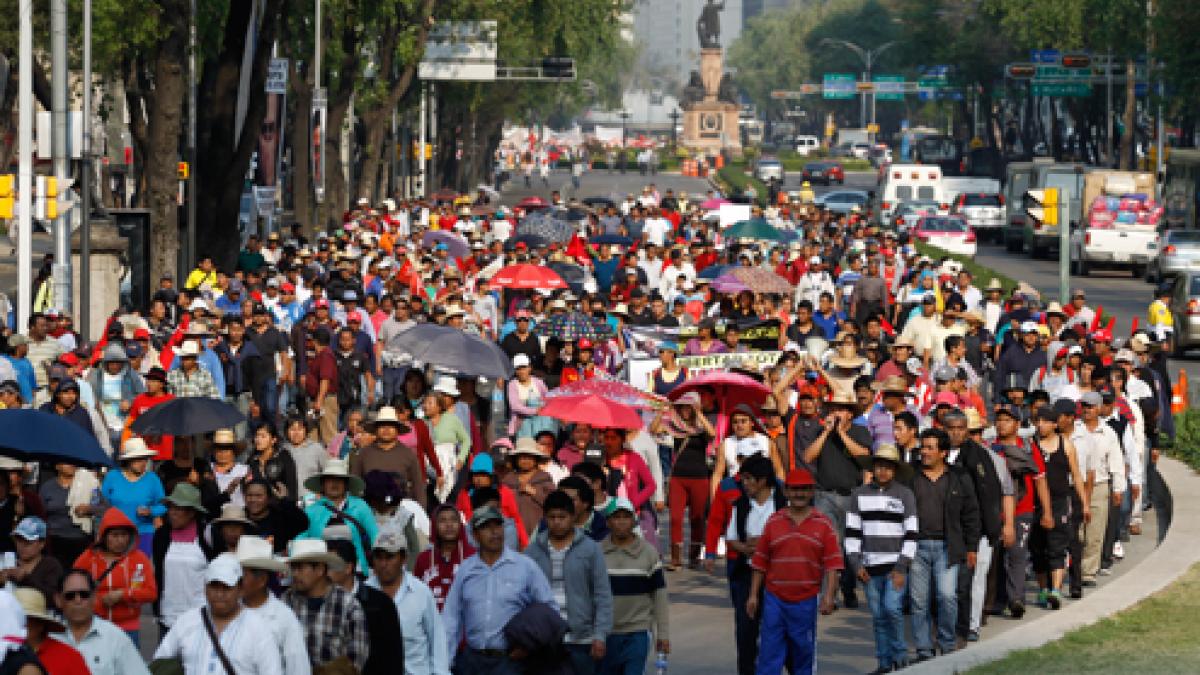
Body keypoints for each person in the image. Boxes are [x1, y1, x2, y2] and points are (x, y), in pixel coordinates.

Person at [746, 467, 843, 675]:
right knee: (769, 657)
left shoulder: (823, 525)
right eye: (794, 489)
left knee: (803, 656)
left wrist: (829, 595)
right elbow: (760, 562)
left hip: (805, 602)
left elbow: (833, 564)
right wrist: (753, 595)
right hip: (774, 601)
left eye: (804, 489)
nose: (799, 494)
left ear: (812, 492)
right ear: (786, 492)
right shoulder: (773, 522)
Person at [441, 505, 556, 674]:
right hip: (471, 661)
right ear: (475, 535)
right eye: (486, 527)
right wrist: (445, 663)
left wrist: (530, 647)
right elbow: (451, 619)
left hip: (510, 662)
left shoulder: (525, 566)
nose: (494, 532)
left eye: (497, 525)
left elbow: (549, 610)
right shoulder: (466, 569)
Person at [703, 455, 784, 675]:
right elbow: (730, 538)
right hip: (746, 574)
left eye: (749, 479)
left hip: (777, 576)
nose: (744, 484)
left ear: (763, 480)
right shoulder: (741, 504)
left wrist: (765, 544)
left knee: (775, 629)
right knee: (746, 630)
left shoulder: (782, 503)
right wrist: (746, 549)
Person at [908, 429, 981, 663]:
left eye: (930, 448)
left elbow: (971, 514)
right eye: (923, 447)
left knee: (947, 596)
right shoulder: (911, 477)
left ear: (943, 452)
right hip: (917, 547)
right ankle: (923, 648)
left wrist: (972, 548)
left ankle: (947, 644)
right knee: (919, 601)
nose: (925, 452)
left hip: (947, 548)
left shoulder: (959, 478)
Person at [524, 490, 614, 675]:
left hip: (581, 640)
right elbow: (522, 596)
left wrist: (600, 636)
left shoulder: (590, 549)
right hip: (544, 640)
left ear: (572, 517)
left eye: (562, 517)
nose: (557, 522)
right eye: (552, 517)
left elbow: (602, 595)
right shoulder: (532, 552)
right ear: (545, 518)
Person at [845, 444, 917, 674]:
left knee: (892, 609)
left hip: (895, 566)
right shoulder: (859, 495)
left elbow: (912, 533)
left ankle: (901, 656)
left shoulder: (905, 494)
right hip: (869, 566)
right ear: (872, 468)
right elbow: (852, 533)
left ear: (895, 470)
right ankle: (884, 662)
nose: (883, 471)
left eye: (888, 467)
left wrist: (902, 566)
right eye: (879, 466)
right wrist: (856, 564)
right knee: (878, 617)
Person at [153, 553, 284, 675]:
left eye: (226, 587)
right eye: (214, 586)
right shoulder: (187, 622)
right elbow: (160, 663)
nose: (219, 594)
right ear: (205, 588)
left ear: (240, 589)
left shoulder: (258, 629)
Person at [599, 497, 670, 675]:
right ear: (608, 522)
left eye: (626, 517)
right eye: (616, 517)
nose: (621, 522)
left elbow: (659, 597)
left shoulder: (648, 553)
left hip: (637, 632)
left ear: (634, 521)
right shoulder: (597, 553)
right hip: (605, 633)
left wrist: (663, 635)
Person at [369, 524, 451, 675]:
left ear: (403, 559)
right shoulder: (365, 593)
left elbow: (437, 638)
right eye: (379, 557)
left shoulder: (420, 592)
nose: (383, 564)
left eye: (390, 557)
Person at [73, 508, 158, 647]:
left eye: (124, 535)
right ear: (104, 536)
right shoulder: (88, 558)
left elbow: (151, 592)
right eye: (115, 535)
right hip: (94, 626)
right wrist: (96, 601)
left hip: (128, 629)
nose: (120, 540)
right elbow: (73, 587)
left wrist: (122, 594)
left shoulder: (139, 559)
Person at [282, 538, 370, 672]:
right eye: (293, 568)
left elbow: (356, 661)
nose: (294, 574)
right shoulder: (286, 601)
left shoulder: (348, 606)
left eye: (299, 568)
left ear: (320, 569)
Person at [325, 530, 406, 675]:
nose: (325, 572)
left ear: (348, 568)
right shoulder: (320, 601)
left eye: (331, 566)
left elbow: (393, 658)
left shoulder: (380, 604)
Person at [651, 391, 715, 569]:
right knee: (676, 518)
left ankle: (694, 557)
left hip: (700, 477)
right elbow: (654, 430)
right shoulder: (674, 426)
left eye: (689, 407)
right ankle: (676, 559)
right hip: (678, 477)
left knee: (697, 518)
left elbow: (712, 433)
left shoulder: (701, 428)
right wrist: (663, 412)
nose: (686, 410)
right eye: (682, 407)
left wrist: (699, 413)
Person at [234, 536, 312, 675]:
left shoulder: (284, 618)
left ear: (262, 580)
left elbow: (298, 668)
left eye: (242, 575)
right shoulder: (228, 610)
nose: (235, 580)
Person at [55, 568, 151, 675]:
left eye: (84, 595)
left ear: (94, 597)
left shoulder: (115, 638)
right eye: (70, 596)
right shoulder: (49, 636)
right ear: (58, 600)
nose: (78, 600)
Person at [152, 483, 214, 633]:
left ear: (192, 512)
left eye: (178, 508)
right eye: (171, 508)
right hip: (168, 616)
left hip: (201, 617)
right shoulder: (161, 535)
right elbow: (158, 572)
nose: (172, 513)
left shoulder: (208, 535)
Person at [301, 458, 379, 571]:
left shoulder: (360, 506)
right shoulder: (311, 511)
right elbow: (300, 541)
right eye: (330, 479)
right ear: (323, 484)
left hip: (356, 571)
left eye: (339, 479)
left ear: (346, 484)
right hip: (322, 573)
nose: (334, 483)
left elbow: (375, 536)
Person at [351, 406, 429, 512]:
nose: (386, 429)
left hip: (401, 512)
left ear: (397, 430)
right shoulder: (364, 454)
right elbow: (354, 487)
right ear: (376, 429)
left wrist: (421, 512)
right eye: (382, 426)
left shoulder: (408, 454)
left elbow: (418, 486)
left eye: (391, 426)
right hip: (370, 512)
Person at [99, 438, 165, 557]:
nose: (143, 463)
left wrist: (151, 511)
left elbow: (163, 505)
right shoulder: (112, 477)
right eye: (138, 459)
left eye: (145, 459)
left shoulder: (152, 479)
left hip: (144, 534)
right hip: (116, 535)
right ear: (128, 460)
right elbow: (102, 505)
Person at [13, 586, 90, 674]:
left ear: (40, 624)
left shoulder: (68, 657)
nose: (15, 624)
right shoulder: (3, 653)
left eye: (23, 620)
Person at [503, 437, 556, 536]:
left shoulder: (545, 479)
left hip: (539, 535)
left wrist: (535, 492)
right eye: (522, 457)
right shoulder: (508, 481)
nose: (525, 460)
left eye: (529, 457)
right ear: (516, 459)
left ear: (536, 459)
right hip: (513, 535)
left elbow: (554, 504)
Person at [7, 516, 63, 603]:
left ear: (42, 544)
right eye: (19, 540)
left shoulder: (51, 565)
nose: (22, 546)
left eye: (28, 542)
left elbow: (53, 597)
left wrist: (25, 579)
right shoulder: (8, 561)